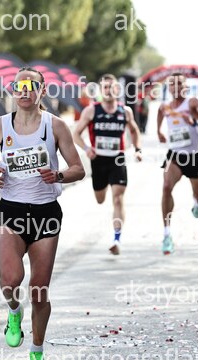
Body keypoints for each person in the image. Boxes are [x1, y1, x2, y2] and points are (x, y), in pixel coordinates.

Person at [0, 66, 85, 360]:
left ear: (42, 91)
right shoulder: (0, 125)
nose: (24, 92)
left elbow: (78, 168)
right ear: (13, 90)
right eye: (19, 87)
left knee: (38, 290)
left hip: (45, 213)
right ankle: (14, 311)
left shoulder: (56, 126)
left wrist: (58, 175)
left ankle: (37, 354)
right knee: (10, 282)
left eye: (31, 86)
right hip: (10, 211)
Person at [72, 74, 142, 255]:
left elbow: (135, 131)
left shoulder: (125, 111)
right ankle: (102, 195)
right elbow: (76, 134)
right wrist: (87, 148)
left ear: (117, 90)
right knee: (100, 199)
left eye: (112, 87)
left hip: (117, 159)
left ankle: (116, 239)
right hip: (98, 160)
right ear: (101, 91)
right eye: (105, 88)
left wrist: (138, 149)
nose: (109, 91)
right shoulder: (91, 110)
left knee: (118, 198)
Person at [157, 73, 198, 255]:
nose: (175, 87)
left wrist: (195, 121)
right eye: (172, 84)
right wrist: (159, 132)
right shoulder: (164, 106)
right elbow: (160, 115)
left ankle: (197, 202)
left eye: (179, 84)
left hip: (194, 156)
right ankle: (167, 234)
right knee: (166, 187)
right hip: (174, 155)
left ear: (185, 87)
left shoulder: (193, 103)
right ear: (168, 88)